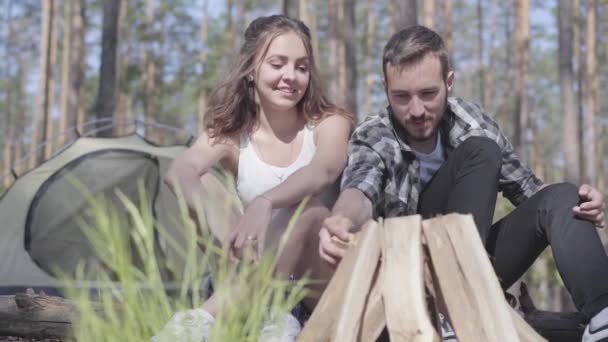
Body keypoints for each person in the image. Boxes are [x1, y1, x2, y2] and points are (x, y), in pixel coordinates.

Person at [319, 25, 608, 342]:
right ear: (386, 88)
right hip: (408, 281)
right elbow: (359, 191)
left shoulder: (471, 121)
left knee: (561, 194)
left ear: (449, 82)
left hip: (476, 268)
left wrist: (577, 203)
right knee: (480, 150)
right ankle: (450, 315)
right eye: (401, 97)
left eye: (428, 94)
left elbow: (531, 193)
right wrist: (341, 219)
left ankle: (602, 318)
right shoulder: (375, 134)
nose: (416, 110)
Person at [156, 15, 352, 341]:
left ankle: (201, 320)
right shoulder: (233, 134)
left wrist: (266, 201)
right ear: (251, 69)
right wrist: (230, 242)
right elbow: (179, 172)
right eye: (278, 64)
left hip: (317, 281)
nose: (291, 76)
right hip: (251, 270)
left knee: (306, 209)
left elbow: (324, 171)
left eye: (302, 67)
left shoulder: (330, 122)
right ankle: (263, 309)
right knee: (202, 183)